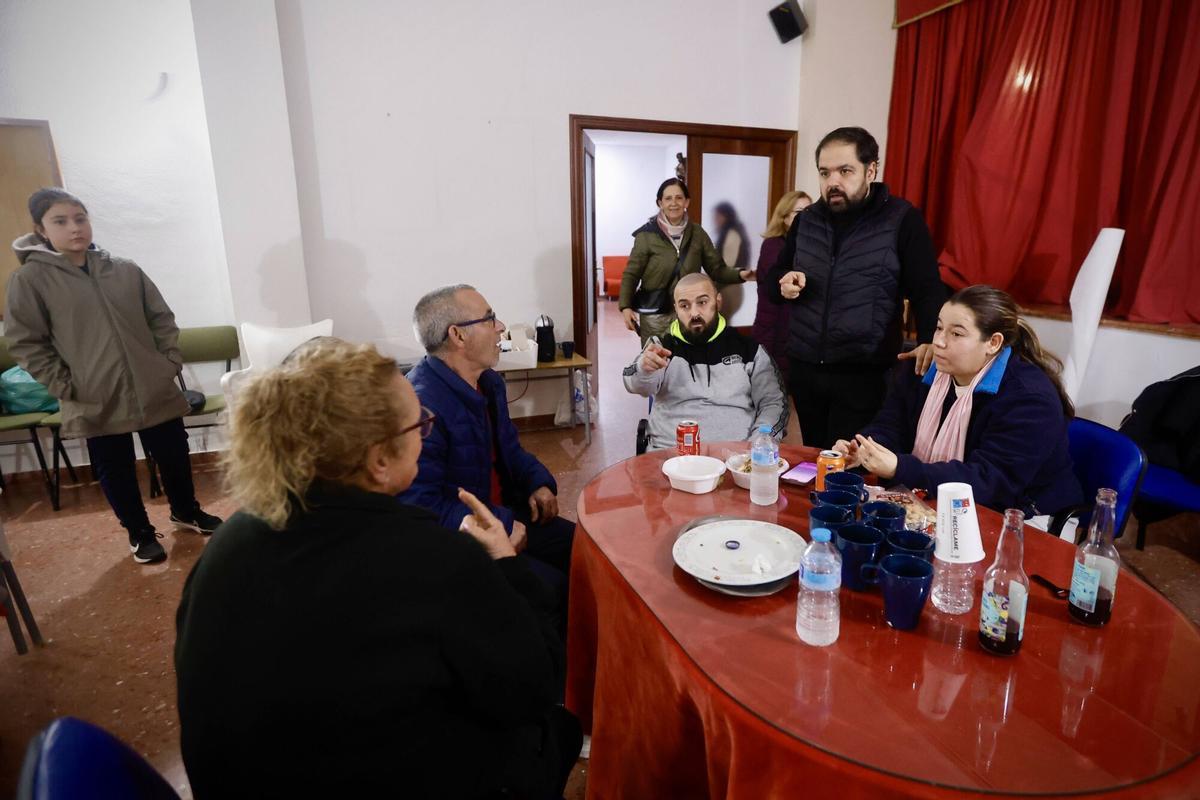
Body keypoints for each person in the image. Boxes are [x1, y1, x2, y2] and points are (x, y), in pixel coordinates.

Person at [175, 340, 581, 798]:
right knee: (555, 727)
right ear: (379, 460)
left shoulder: (226, 545)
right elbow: (531, 685)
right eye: (420, 425)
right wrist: (507, 565)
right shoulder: (435, 557)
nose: (426, 434)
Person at [6, 188, 222, 565]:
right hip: (92, 395)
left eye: (80, 218)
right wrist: (65, 386)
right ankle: (139, 533)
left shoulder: (124, 270)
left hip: (152, 385)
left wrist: (167, 363)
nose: (75, 228)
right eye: (61, 221)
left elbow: (161, 319)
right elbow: (27, 344)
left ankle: (185, 511)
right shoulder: (30, 281)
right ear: (41, 229)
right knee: (115, 465)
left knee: (173, 452)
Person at [402, 284, 574, 630]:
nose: (500, 327)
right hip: (467, 538)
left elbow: (509, 450)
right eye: (490, 318)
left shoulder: (489, 384)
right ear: (458, 336)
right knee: (550, 591)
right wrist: (501, 525)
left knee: (587, 550)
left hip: (507, 513)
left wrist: (537, 481)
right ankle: (553, 672)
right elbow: (420, 506)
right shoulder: (423, 407)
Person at [834, 285, 1083, 520]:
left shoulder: (1029, 399)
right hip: (937, 497)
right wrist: (865, 449)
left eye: (956, 333)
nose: (939, 342)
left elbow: (990, 481)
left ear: (993, 343)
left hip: (1021, 513)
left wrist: (899, 468)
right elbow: (891, 425)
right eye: (939, 328)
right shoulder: (923, 369)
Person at [766, 127, 947, 449]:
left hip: (864, 373)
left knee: (851, 468)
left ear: (871, 170)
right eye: (824, 172)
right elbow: (775, 276)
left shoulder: (901, 219)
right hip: (807, 369)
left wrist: (929, 339)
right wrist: (784, 282)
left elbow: (927, 288)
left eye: (845, 171)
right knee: (815, 461)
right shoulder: (806, 221)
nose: (832, 181)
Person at [624, 273, 787, 451]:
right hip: (670, 457)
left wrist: (759, 443)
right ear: (676, 309)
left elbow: (774, 403)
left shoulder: (749, 350)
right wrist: (644, 368)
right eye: (684, 305)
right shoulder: (661, 348)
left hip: (735, 457)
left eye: (702, 302)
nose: (694, 313)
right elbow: (636, 384)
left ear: (718, 302)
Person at [620, 178, 753, 346]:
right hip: (656, 313)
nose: (673, 203)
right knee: (658, 362)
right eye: (668, 198)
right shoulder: (646, 235)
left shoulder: (698, 233)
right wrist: (625, 307)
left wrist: (742, 274)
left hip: (690, 311)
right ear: (660, 203)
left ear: (687, 202)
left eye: (679, 197)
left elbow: (717, 269)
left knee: (690, 361)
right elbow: (631, 274)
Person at [751, 190, 812, 380]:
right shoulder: (773, 245)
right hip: (775, 329)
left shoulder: (810, 245)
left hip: (797, 331)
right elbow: (776, 287)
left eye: (810, 212)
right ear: (784, 217)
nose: (806, 218)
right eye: (799, 212)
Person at [713, 201, 750, 270]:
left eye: (718, 216)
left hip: (732, 278)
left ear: (726, 217)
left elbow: (728, 264)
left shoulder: (732, 235)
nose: (715, 220)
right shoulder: (730, 232)